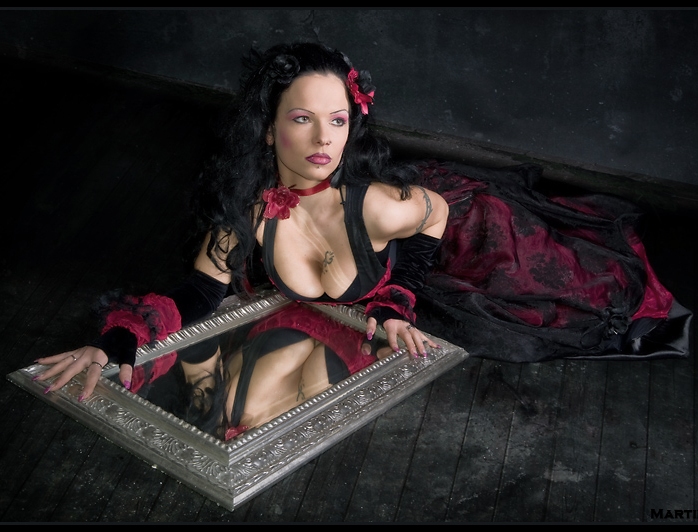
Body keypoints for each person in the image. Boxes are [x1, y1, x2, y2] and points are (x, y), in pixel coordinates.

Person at [33, 41, 691, 437]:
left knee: (565, 299)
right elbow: (197, 294)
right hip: (380, 251)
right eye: (302, 119)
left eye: (339, 120)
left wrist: (397, 295)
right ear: (268, 128)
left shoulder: (376, 204)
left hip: (469, 231)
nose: (325, 140)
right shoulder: (247, 217)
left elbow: (436, 214)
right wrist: (113, 344)